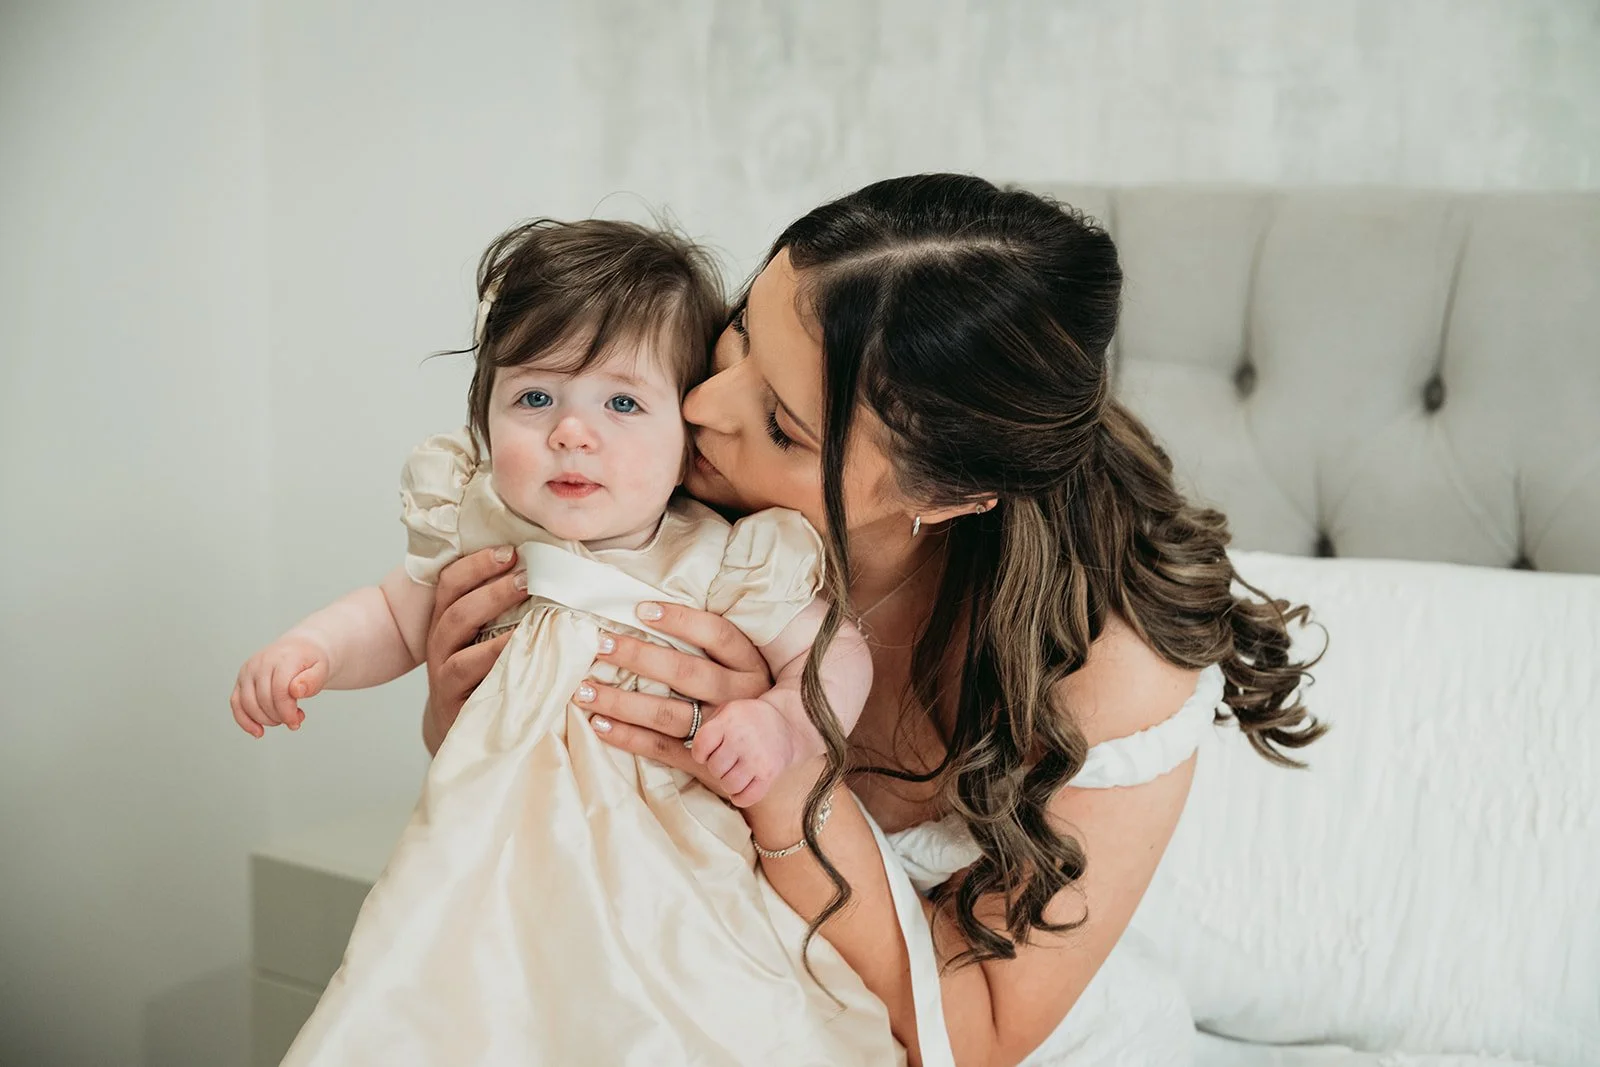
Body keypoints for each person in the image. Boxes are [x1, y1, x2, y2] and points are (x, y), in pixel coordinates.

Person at [423, 174, 1325, 1066]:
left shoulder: (1108, 664)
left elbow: (973, 1033)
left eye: (780, 424)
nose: (705, 403)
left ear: (946, 495)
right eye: (741, 336)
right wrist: (464, 701)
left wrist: (785, 780)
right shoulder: (654, 463)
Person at [236, 218, 908, 1064]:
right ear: (484, 416)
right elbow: (392, 612)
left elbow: (833, 653)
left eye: (622, 402)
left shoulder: (718, 559)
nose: (571, 432)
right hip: (482, 868)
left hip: (662, 875)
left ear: (687, 429)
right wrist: (311, 653)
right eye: (534, 397)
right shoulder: (482, 528)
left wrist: (781, 722)